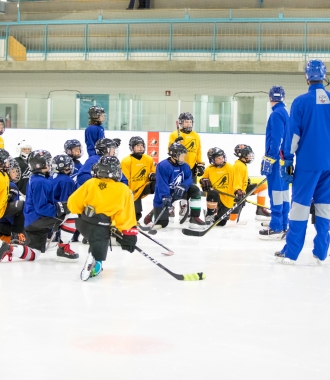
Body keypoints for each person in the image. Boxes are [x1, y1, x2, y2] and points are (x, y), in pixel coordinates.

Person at [275, 59, 330, 265]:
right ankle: (322, 253)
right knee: (325, 208)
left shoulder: (300, 102)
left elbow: (293, 136)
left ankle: (291, 253)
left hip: (308, 165)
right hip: (329, 165)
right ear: (324, 76)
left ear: (307, 77)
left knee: (299, 207)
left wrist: (287, 160)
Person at [0, 150, 79, 263]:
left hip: (31, 221)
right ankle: (63, 249)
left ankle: (8, 248)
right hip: (38, 219)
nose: (50, 164)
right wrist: (59, 208)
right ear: (41, 165)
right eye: (48, 161)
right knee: (72, 213)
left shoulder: (35, 178)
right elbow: (41, 208)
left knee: (34, 254)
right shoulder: (41, 182)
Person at [67, 156, 138, 281]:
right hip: (102, 227)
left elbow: (72, 203)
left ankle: (92, 249)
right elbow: (126, 216)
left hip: (83, 224)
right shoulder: (123, 189)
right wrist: (128, 234)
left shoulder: (90, 183)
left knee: (96, 234)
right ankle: (97, 262)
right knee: (102, 237)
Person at [259, 86, 290, 240]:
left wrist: (269, 159)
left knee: (276, 193)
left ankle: (276, 226)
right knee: (283, 192)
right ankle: (284, 224)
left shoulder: (276, 114)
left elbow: (277, 139)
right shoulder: (285, 112)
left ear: (270, 98)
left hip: (277, 160)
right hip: (285, 159)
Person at [152, 142, 205, 230]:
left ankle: (194, 218)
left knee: (195, 189)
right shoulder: (163, 166)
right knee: (162, 224)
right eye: (182, 156)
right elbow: (161, 184)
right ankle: (154, 214)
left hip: (180, 191)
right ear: (174, 155)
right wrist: (165, 196)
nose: (183, 158)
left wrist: (183, 186)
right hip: (167, 194)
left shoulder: (185, 166)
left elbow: (189, 179)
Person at [168, 112, 205, 217]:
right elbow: (170, 149)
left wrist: (200, 164)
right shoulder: (174, 134)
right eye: (186, 122)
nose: (188, 124)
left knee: (189, 188)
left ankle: (184, 206)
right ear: (181, 123)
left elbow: (198, 151)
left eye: (190, 122)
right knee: (175, 186)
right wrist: (175, 143)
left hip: (191, 167)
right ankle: (171, 207)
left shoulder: (196, 135)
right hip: (177, 166)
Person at [229, 144, 269, 224]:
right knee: (232, 219)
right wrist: (239, 192)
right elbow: (236, 181)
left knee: (263, 186)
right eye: (248, 154)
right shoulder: (238, 166)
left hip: (243, 189)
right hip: (237, 192)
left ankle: (260, 210)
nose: (250, 156)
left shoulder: (242, 164)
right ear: (242, 155)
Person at [121, 136, 156, 222]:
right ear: (131, 148)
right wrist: (128, 192)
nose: (140, 148)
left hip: (144, 187)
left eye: (141, 146)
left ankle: (159, 208)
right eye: (137, 146)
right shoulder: (126, 161)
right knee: (137, 214)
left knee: (159, 184)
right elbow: (124, 179)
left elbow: (153, 171)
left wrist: (153, 175)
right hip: (132, 192)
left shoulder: (148, 159)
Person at [200, 148, 236, 226]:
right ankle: (210, 214)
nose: (221, 160)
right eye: (218, 158)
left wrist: (238, 190)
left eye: (222, 157)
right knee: (212, 193)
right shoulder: (209, 169)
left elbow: (236, 181)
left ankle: (214, 215)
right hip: (215, 196)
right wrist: (203, 183)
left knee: (221, 223)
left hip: (226, 197)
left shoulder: (230, 168)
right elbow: (203, 181)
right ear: (212, 159)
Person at [49, 154, 77, 244]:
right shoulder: (67, 181)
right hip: (56, 215)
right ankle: (64, 243)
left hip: (47, 211)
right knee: (74, 213)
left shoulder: (50, 178)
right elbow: (65, 202)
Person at [0, 156, 26, 245]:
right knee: (22, 205)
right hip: (4, 224)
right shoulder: (11, 185)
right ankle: (17, 235)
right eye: (13, 171)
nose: (16, 174)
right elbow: (11, 211)